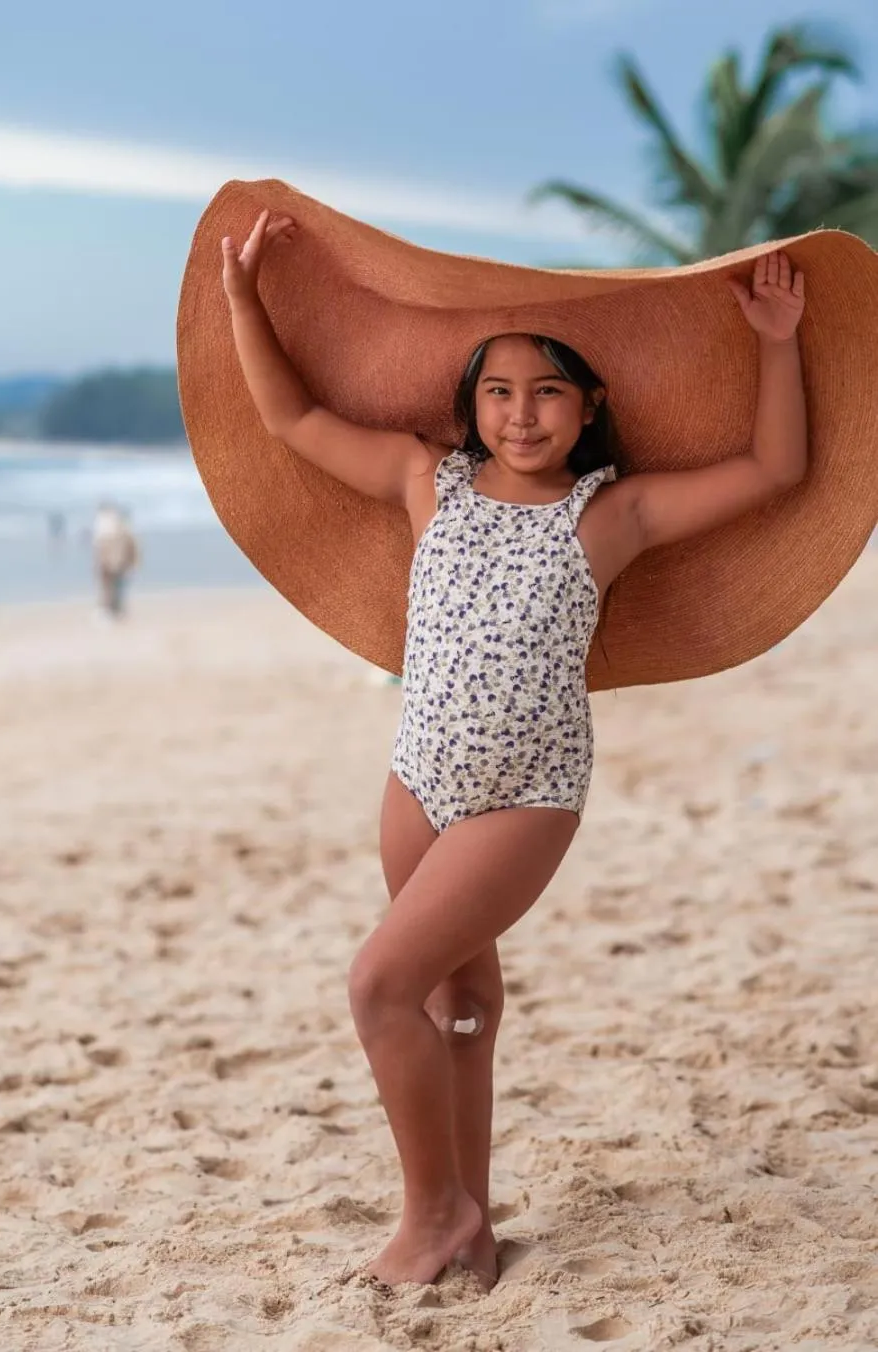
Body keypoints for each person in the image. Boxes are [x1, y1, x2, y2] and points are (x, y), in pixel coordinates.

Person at [221, 210, 806, 1289]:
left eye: (546, 391)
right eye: (498, 390)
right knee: (458, 1005)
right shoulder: (422, 479)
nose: (520, 413)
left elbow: (774, 467)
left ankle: (429, 1213)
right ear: (469, 405)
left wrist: (775, 339)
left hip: (525, 793)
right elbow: (293, 417)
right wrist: (244, 301)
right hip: (416, 776)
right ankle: (473, 1225)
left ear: (588, 407)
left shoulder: (610, 513)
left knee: (377, 984)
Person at [91, 502, 139, 617]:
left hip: (117, 563)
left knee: (115, 588)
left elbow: (131, 546)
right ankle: (112, 610)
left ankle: (115, 610)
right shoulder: (110, 529)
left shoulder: (114, 529)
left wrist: (133, 561)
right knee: (112, 588)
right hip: (111, 563)